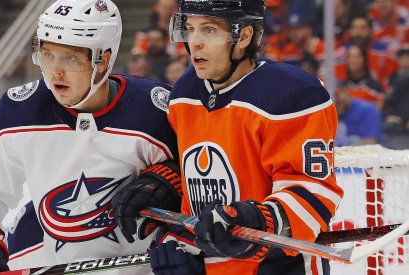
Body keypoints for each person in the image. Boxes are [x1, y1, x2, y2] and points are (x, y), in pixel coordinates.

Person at [0, 0, 182, 274]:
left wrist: (171, 177)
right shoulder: (20, 112)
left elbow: (203, 175)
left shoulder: (156, 111)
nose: (55, 71)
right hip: (43, 254)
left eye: (71, 58)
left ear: (103, 59)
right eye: (48, 54)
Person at [112, 0, 344, 274]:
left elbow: (314, 195)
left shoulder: (292, 95)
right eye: (190, 29)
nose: (194, 42)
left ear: (244, 35)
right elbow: (192, 174)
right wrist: (166, 183)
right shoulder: (185, 92)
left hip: (279, 267)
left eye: (208, 30)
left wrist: (257, 219)